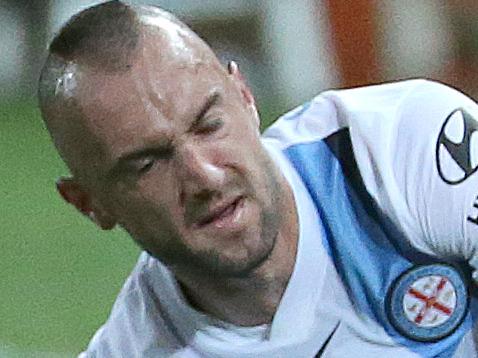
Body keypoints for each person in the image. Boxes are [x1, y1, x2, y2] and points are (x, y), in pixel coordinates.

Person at [37, 1, 478, 357]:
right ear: (91, 204)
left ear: (245, 97)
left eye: (209, 125)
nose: (205, 176)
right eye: (148, 163)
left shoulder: (405, 147)